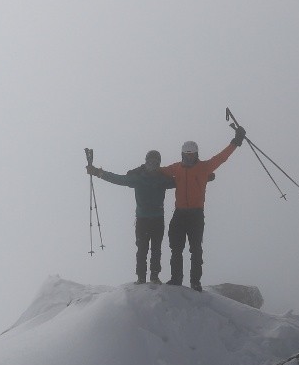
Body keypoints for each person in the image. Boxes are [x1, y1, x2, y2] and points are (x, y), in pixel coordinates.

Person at [161, 124, 246, 290]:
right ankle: (176, 279)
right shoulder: (176, 168)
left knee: (196, 249)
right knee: (176, 248)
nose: (189, 158)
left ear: (196, 154)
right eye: (186, 155)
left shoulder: (204, 168)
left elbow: (221, 157)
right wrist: (142, 170)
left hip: (195, 215)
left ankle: (195, 282)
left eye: (191, 155)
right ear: (182, 155)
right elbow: (159, 170)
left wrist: (236, 141)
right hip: (179, 214)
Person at [88, 150, 176, 283]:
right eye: (150, 162)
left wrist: (202, 177)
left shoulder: (160, 179)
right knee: (143, 249)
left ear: (159, 164)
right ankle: (143, 277)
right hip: (146, 220)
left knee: (154, 249)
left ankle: (152, 276)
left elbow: (184, 181)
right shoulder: (143, 178)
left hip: (152, 219)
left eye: (156, 162)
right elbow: (118, 179)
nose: (153, 165)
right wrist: (98, 172)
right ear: (146, 162)